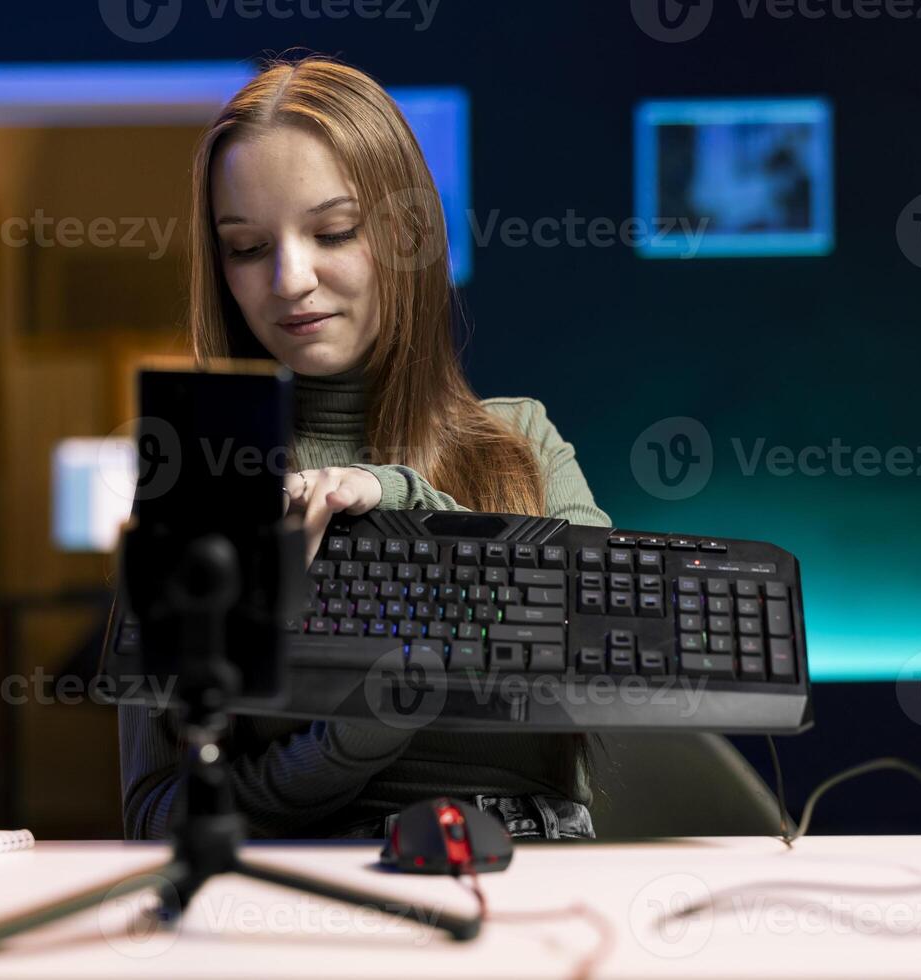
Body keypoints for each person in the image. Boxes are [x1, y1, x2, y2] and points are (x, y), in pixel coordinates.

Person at [118, 56, 610, 842]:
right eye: (245, 248)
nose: (290, 279)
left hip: (537, 877)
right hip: (303, 896)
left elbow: (618, 640)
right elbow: (155, 813)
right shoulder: (201, 474)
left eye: (333, 232)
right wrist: (349, 743)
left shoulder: (520, 440)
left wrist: (404, 500)